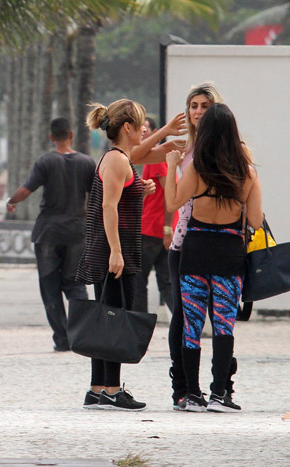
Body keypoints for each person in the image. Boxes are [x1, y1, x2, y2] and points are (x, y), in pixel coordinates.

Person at [164, 103, 262, 412]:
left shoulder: (197, 168)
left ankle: (192, 394)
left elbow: (173, 202)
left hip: (195, 250)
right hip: (229, 253)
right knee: (224, 324)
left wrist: (170, 166)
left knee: (192, 324)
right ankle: (220, 392)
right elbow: (256, 222)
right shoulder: (247, 172)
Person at [75, 100, 155, 411]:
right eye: (142, 124)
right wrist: (117, 252)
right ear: (127, 128)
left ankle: (97, 388)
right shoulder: (118, 160)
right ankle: (111, 388)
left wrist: (141, 190)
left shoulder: (118, 159)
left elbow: (120, 199)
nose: (145, 129)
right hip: (112, 251)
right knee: (115, 318)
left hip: (106, 248)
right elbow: (109, 207)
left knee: (104, 317)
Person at [4, 118, 95, 351]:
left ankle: (62, 339)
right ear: (71, 135)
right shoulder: (87, 163)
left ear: (51, 137)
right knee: (76, 284)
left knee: (50, 286)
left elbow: (27, 188)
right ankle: (82, 336)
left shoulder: (45, 162)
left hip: (48, 232)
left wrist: (12, 201)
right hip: (76, 232)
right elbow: (94, 196)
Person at [132, 117, 177, 314]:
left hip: (153, 228)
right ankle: (184, 325)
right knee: (166, 282)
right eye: (139, 130)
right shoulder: (158, 158)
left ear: (155, 132)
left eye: (146, 130)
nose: (142, 133)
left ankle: (140, 329)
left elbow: (170, 194)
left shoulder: (157, 159)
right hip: (161, 228)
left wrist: (167, 229)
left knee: (138, 280)